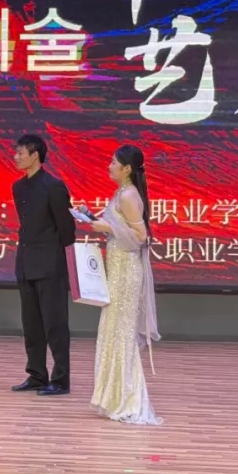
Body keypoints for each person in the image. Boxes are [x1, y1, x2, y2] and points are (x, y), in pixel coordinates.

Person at [77, 144, 162, 425]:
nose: (109, 166)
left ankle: (128, 400)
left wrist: (109, 227)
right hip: (118, 270)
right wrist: (93, 218)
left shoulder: (128, 195)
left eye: (114, 163)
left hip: (126, 273)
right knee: (114, 331)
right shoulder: (122, 193)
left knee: (121, 333)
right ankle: (115, 397)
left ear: (127, 168)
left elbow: (141, 236)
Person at [10, 134, 76, 396]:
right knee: (31, 324)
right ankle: (36, 374)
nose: (16, 157)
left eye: (20, 153)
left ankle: (60, 379)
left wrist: (59, 259)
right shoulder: (18, 187)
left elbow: (67, 229)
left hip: (50, 265)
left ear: (35, 155)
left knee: (55, 324)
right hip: (26, 263)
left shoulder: (53, 186)